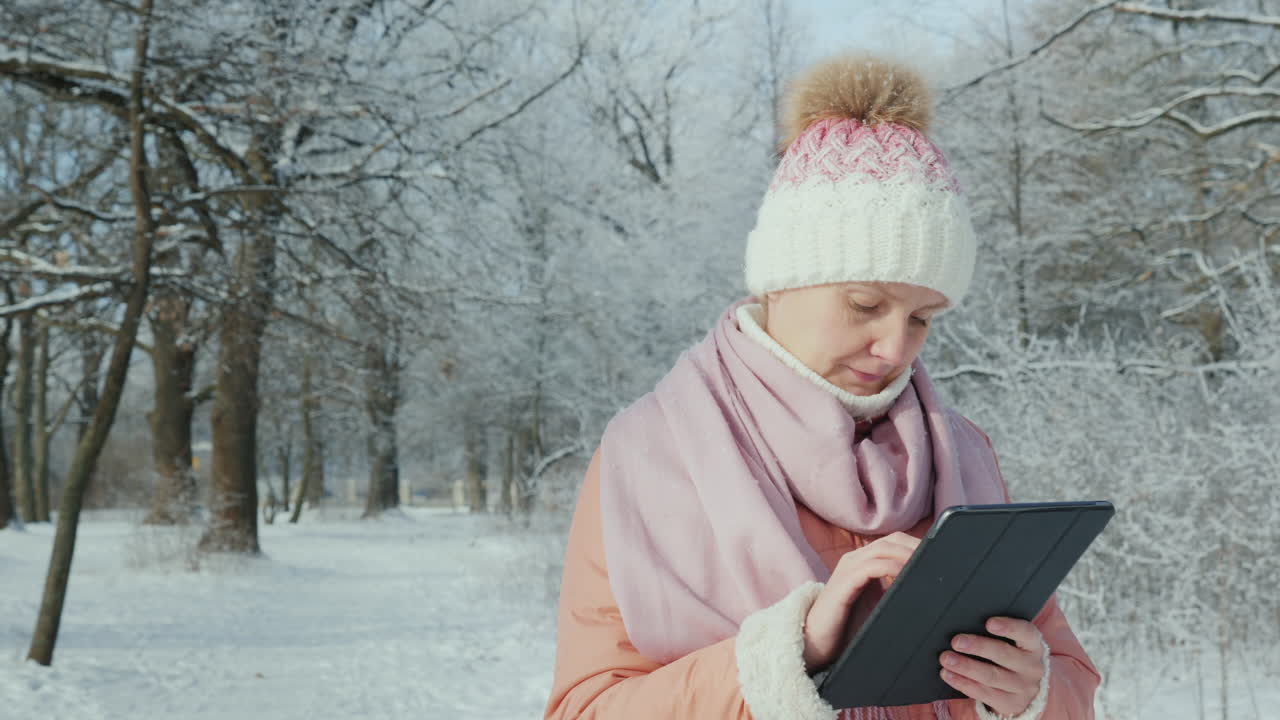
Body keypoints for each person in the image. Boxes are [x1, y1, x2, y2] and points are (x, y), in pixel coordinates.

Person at [543, 53, 1101, 720]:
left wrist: (1032, 696)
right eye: (866, 305)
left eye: (923, 317)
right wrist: (788, 656)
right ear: (779, 281)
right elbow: (584, 709)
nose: (897, 348)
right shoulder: (646, 457)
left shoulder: (963, 452)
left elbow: (1067, 672)